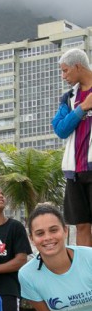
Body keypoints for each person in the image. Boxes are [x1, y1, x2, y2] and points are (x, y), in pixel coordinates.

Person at [51, 48, 92, 248]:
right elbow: (60, 129)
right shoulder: (69, 97)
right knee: (81, 225)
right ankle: (86, 266)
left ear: (78, 66)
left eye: (65, 70)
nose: (63, 76)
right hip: (74, 172)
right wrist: (82, 108)